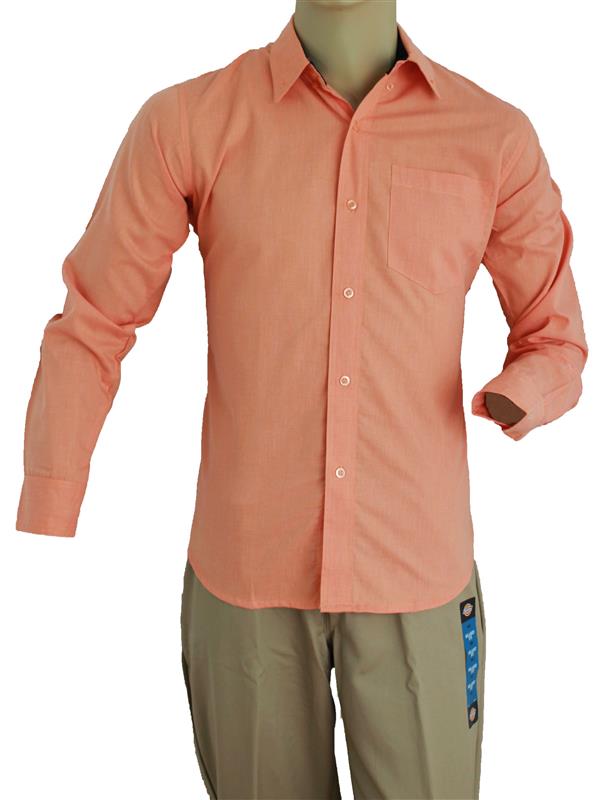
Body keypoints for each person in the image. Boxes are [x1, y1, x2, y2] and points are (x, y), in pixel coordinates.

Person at [16, 1, 588, 798]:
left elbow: (555, 337)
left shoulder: (492, 136)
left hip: (415, 569)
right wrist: (52, 494)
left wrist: (516, 395)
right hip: (245, 573)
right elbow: (94, 321)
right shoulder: (188, 122)